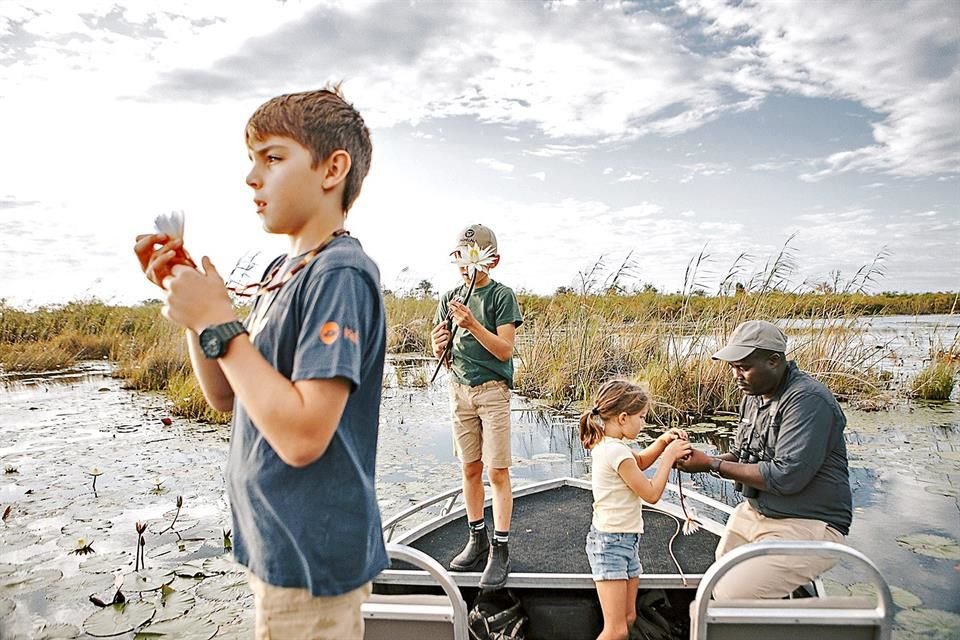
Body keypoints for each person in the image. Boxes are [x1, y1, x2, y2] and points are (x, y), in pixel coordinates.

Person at [133, 87, 387, 639]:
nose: (253, 177)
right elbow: (226, 395)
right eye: (252, 160)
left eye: (272, 158)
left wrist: (222, 324)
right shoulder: (283, 270)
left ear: (332, 169)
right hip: (275, 544)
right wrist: (197, 310)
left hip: (310, 559)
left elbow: (301, 437)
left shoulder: (338, 273)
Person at [677, 320, 852, 599]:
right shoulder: (754, 394)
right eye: (733, 367)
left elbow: (786, 477)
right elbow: (740, 454)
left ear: (774, 361)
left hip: (810, 523)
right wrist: (696, 459)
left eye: (744, 367)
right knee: (716, 582)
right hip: (757, 512)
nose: (736, 375)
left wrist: (711, 464)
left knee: (733, 595)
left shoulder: (807, 400)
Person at [430, 223, 523, 589]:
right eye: (461, 259)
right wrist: (439, 344)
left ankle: (500, 548)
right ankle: (477, 537)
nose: (466, 267)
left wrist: (471, 324)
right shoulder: (449, 296)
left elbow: (504, 350)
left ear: (492, 261)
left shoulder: (502, 296)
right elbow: (442, 348)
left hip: (493, 391)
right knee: (470, 467)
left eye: (474, 259)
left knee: (497, 471)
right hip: (460, 390)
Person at [579, 380, 692, 640]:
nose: (643, 424)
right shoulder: (615, 453)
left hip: (626, 540)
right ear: (622, 418)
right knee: (616, 630)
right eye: (641, 417)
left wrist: (663, 442)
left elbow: (639, 462)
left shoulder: (612, 446)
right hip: (611, 544)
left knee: (629, 619)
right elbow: (652, 494)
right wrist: (669, 457)